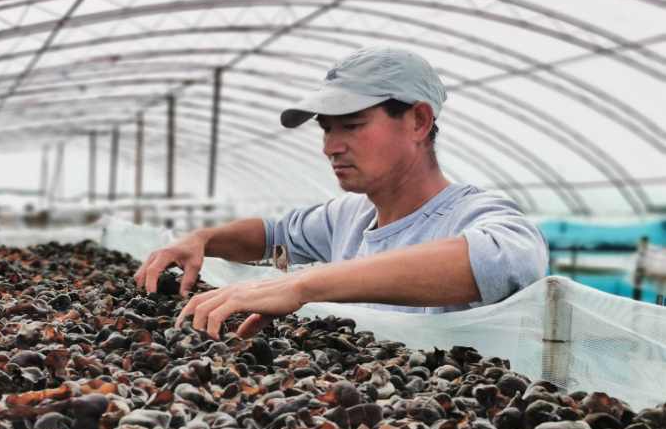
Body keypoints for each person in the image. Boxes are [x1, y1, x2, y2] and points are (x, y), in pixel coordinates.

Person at [133, 46, 548, 340]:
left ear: (418, 121)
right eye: (327, 129)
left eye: (351, 125)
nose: (330, 146)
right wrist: (202, 239)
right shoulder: (347, 218)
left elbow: (505, 260)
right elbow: (273, 237)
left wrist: (303, 284)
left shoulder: (471, 214)